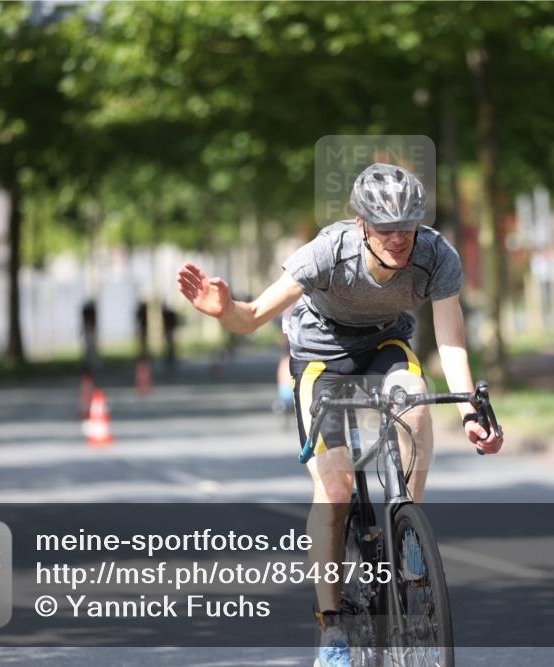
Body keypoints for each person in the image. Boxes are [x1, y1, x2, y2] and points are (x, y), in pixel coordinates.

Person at [177, 162, 503, 667]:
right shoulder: (329, 252)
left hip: (385, 343)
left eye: (408, 227)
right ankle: (332, 629)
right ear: (361, 224)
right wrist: (225, 310)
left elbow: (452, 342)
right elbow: (252, 317)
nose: (399, 240)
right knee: (335, 487)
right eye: (386, 228)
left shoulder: (437, 255)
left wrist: (470, 414)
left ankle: (406, 529)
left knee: (414, 399)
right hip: (320, 355)